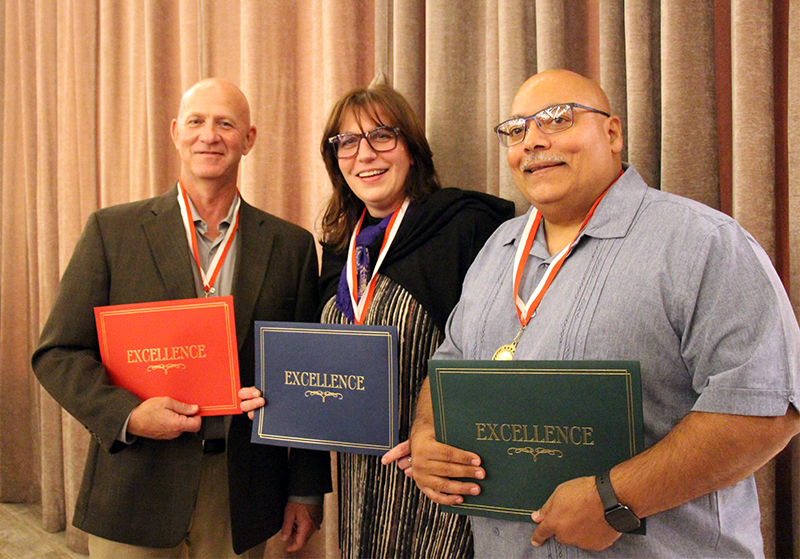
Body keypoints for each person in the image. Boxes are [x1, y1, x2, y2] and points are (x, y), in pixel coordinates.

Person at [408, 69, 800, 558]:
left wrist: (617, 498)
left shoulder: (701, 242)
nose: (532, 141)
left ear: (612, 133)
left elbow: (765, 410)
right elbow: (449, 368)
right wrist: (427, 433)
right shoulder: (495, 251)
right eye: (516, 129)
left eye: (557, 119)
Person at [32, 78, 331, 559]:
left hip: (241, 494)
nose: (209, 135)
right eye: (196, 121)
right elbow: (57, 353)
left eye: (225, 123)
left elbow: (307, 379)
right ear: (176, 132)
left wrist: (306, 490)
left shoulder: (291, 247)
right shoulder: (112, 232)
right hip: (134, 485)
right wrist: (128, 414)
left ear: (248, 139)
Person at [319, 83, 514, 558]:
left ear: (411, 149)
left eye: (382, 136)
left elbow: (501, 348)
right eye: (347, 142)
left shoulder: (463, 226)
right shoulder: (340, 247)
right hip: (360, 477)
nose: (364, 154)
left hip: (439, 478)